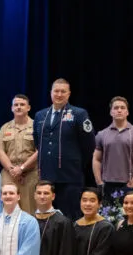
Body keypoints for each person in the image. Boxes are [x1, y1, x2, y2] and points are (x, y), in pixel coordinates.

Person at [33, 78, 96, 221]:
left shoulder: (79, 114)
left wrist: (76, 163)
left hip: (70, 176)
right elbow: (37, 143)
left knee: (71, 217)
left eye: (63, 91)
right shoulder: (40, 115)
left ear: (69, 94)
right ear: (51, 93)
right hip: (47, 177)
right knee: (47, 218)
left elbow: (89, 144)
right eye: (56, 91)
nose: (59, 94)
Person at [92, 97, 133, 198]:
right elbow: (96, 159)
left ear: (127, 112)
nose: (119, 110)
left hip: (129, 184)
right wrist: (99, 181)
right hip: (107, 184)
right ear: (111, 112)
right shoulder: (102, 134)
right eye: (116, 108)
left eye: (122, 108)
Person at [0, 94, 38, 213]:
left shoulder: (36, 126)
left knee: (30, 209)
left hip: (30, 174)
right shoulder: (5, 127)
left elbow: (39, 151)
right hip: (9, 174)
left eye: (22, 104)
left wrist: (22, 168)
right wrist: (12, 170)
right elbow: (0, 150)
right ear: (12, 108)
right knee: (9, 209)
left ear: (28, 108)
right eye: (16, 105)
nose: (19, 107)